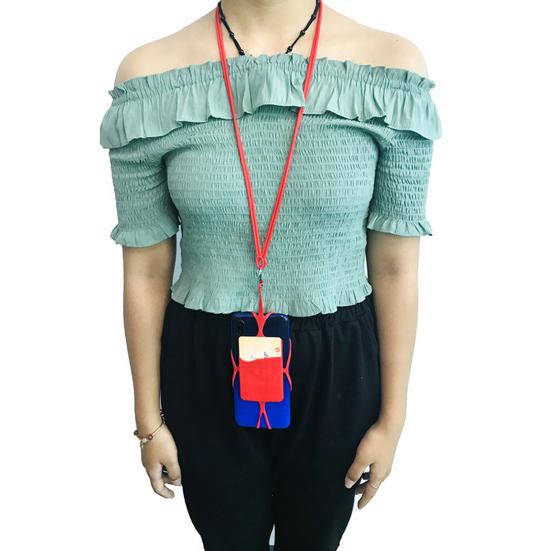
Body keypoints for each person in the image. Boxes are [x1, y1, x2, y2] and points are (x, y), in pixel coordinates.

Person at [99, 0, 442, 549]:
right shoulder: (150, 78)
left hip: (339, 361)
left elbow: (396, 266)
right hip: (204, 360)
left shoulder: (389, 71)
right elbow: (145, 269)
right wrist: (148, 420)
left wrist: (393, 419)